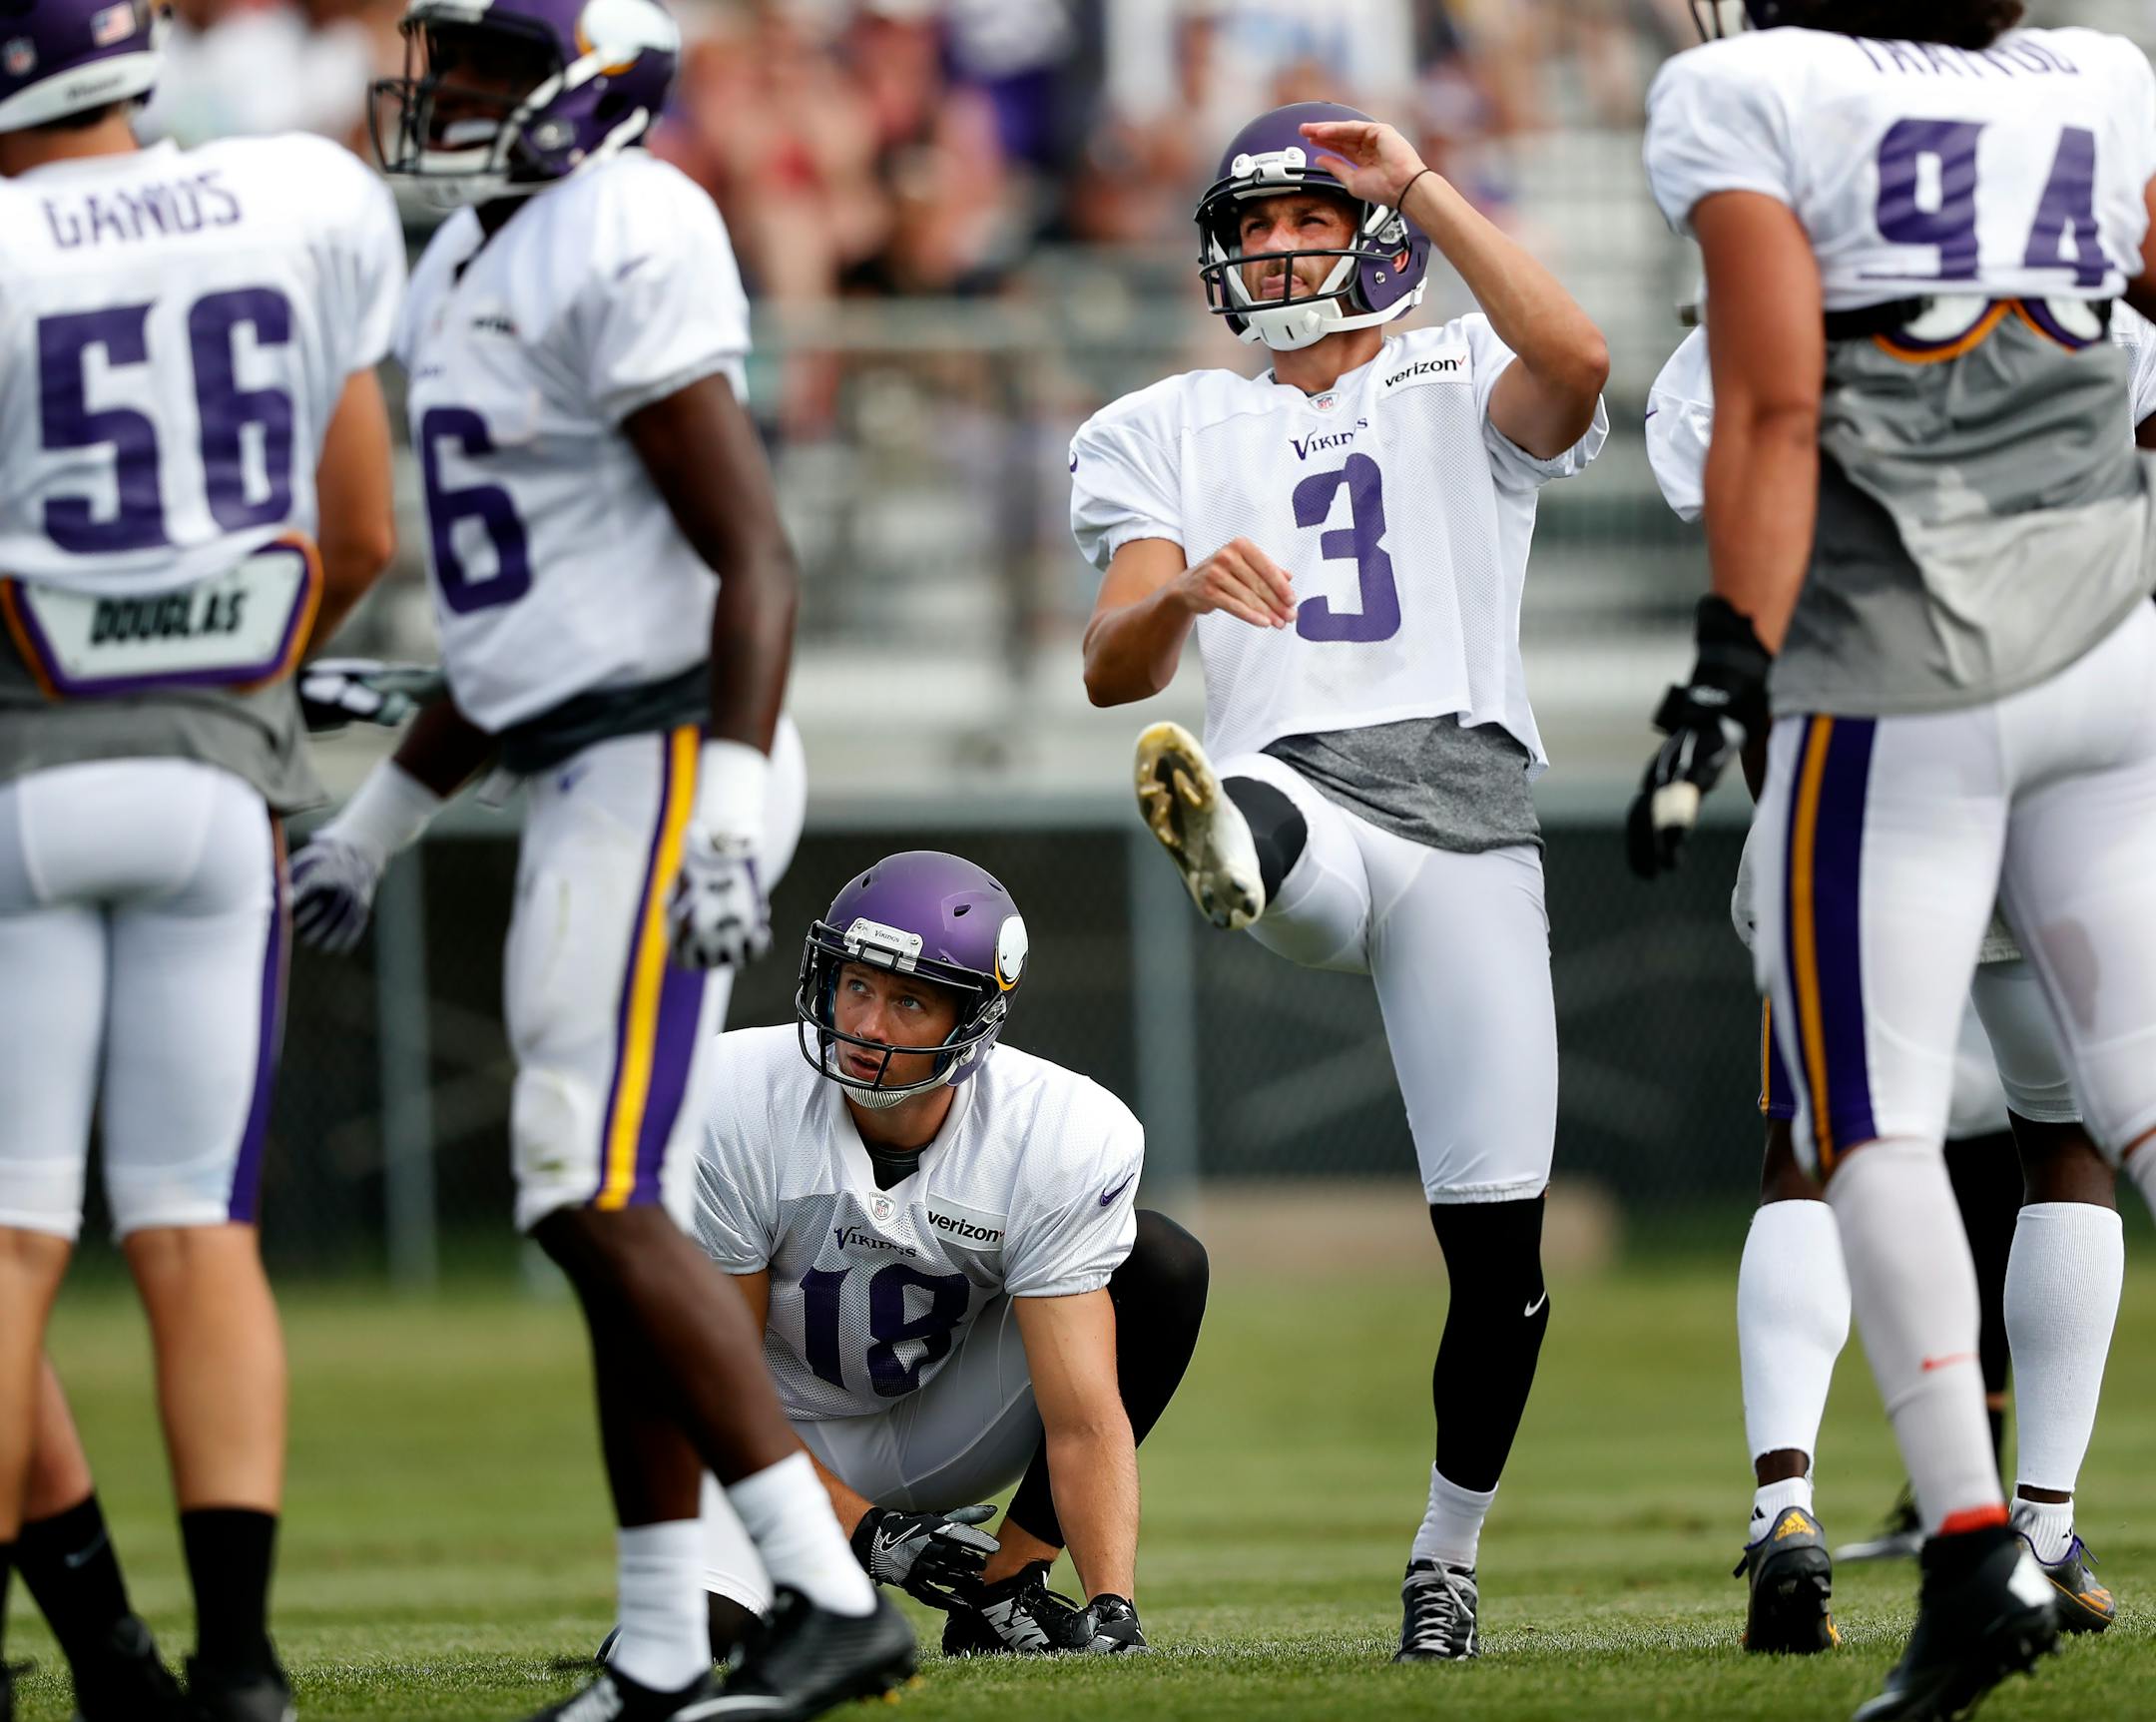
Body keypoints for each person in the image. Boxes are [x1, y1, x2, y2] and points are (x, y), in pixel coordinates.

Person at [299, 2, 913, 1716]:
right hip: (578, 757)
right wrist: (374, 819)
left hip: (663, 757)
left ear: (595, 86)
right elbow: (515, 643)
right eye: (458, 62)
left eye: (496, 65)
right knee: (587, 1202)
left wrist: (722, 800)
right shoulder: (465, 264)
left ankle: (815, 1592)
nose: (455, 94)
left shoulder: (631, 223)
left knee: (587, 1185)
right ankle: (660, 1641)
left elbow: (754, 552)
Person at [1637, 3, 2156, 1715]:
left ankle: (1969, 1553)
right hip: (2110, 655)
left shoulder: (1749, 89)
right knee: (2135, 1103)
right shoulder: (2102, 75)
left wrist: (1725, 663)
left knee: (1858, 1124)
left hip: (1906, 673)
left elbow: (1773, 411)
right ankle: (2027, 1528)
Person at [1072, 99, 1608, 1660]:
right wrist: (1175, 592)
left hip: (1468, 815)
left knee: (1495, 1257)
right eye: (1249, 227)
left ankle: (1447, 1553)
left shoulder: (1452, 368)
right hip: (1299, 778)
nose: (1274, 246)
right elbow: (1114, 666)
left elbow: (1576, 362)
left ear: (1370, 232)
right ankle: (1231, 846)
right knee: (1254, 805)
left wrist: (1426, 185)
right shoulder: (1166, 422)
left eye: (1303, 218)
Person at [0, 0, 404, 1711]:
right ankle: (238, 1668)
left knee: (14, 1241)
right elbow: (364, 526)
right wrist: (234, 665)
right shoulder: (296, 192)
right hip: (219, 774)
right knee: (197, 1233)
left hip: (20, 763)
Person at [678, 851, 1209, 1662]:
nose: (867, 1025)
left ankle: (1005, 1591)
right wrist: (864, 1530)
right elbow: (719, 1388)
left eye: (909, 1000)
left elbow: (1085, 1410)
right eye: (856, 984)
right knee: (703, 1639)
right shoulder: (738, 1097)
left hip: (938, 1419)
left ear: (973, 1019)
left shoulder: (1054, 1134)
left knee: (1163, 1263)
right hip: (772, 1435)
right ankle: (778, 1580)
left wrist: (1113, 1601)